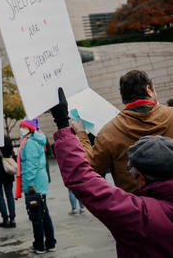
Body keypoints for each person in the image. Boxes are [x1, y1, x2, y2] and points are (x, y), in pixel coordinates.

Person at [51, 87, 173, 257]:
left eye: (132, 171)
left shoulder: (141, 216)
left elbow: (83, 179)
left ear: (142, 178)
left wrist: (62, 122)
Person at [71, 70, 173, 192]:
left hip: (138, 205)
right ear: (148, 90)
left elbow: (91, 168)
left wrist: (82, 134)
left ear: (123, 97)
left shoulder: (109, 132)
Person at [19, 119, 56, 254]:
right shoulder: (36, 140)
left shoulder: (30, 143)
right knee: (44, 213)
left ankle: (39, 245)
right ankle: (50, 243)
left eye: (22, 126)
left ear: (29, 128)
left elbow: (31, 166)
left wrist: (29, 184)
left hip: (34, 184)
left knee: (36, 216)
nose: (21, 129)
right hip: (40, 182)